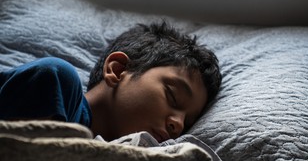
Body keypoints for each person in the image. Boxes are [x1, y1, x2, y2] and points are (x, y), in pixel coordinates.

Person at [0, 21, 221, 142]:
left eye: (188, 123)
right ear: (118, 70)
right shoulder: (57, 80)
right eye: (173, 96)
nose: (178, 125)